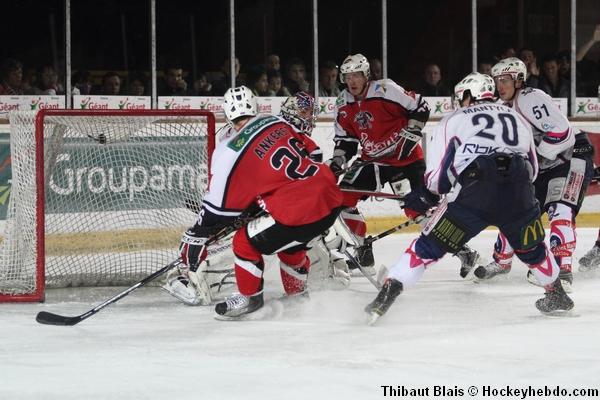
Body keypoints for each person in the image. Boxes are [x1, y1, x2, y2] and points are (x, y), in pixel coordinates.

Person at [365, 72, 574, 324]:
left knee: (427, 248)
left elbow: (437, 179)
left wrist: (426, 196)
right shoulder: (516, 117)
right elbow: (533, 168)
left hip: (474, 195)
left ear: (467, 95)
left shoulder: (455, 119)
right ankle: (557, 294)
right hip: (518, 192)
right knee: (533, 248)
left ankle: (387, 295)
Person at [170, 86, 344, 319]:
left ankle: (250, 298)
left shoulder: (229, 149)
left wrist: (198, 232)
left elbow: (216, 208)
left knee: (243, 242)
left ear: (227, 115)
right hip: (330, 199)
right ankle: (297, 296)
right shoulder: (275, 121)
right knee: (291, 246)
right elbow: (313, 154)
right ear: (255, 106)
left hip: (297, 211)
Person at [475, 57, 595, 293]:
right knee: (515, 210)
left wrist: (534, 160)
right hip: (546, 164)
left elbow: (562, 133)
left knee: (560, 211)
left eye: (505, 80)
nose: (500, 85)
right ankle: (502, 261)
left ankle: (562, 269)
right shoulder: (504, 107)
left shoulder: (530, 98)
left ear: (519, 80)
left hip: (571, 159)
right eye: (497, 80)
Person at [328, 53, 431, 273]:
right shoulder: (343, 103)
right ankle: (363, 252)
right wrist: (338, 160)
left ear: (366, 75)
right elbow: (346, 139)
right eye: (347, 76)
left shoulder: (385, 90)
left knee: (419, 209)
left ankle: (463, 252)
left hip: (405, 159)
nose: (352, 81)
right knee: (341, 198)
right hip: (373, 161)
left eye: (356, 75)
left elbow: (420, 107)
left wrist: (412, 131)